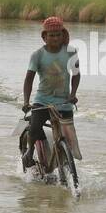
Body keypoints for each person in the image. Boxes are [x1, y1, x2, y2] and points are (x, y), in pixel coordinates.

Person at [21, 15, 79, 168]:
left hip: (64, 102)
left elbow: (76, 75)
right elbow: (28, 80)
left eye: (58, 35)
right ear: (44, 37)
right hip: (43, 101)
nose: (55, 38)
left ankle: (65, 162)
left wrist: (73, 95)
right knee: (34, 128)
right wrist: (27, 101)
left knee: (68, 137)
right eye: (51, 35)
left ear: (63, 35)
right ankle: (30, 151)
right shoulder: (37, 55)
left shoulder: (71, 52)